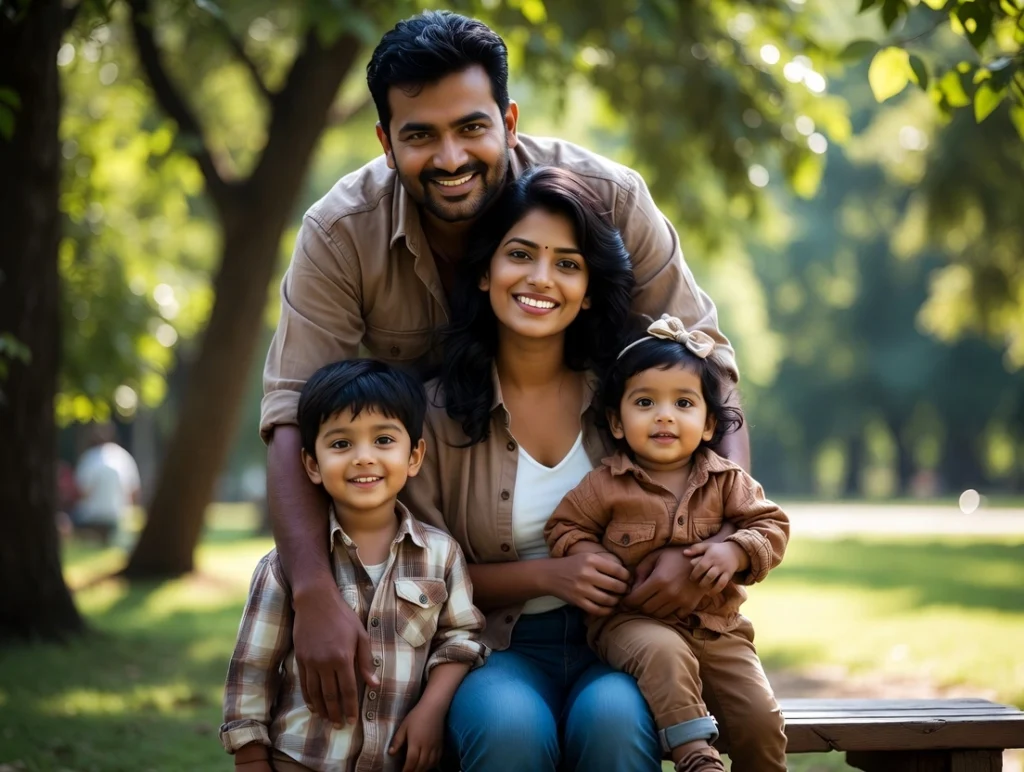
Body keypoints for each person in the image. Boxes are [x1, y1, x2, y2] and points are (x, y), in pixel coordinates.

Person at [261, 9, 749, 734]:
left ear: (509, 119)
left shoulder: (605, 199)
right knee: (501, 727)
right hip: (440, 572)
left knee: (615, 722)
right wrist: (312, 593)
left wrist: (717, 542)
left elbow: (711, 369)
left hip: (624, 571)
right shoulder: (342, 233)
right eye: (419, 135)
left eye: (471, 127)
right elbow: (292, 415)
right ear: (385, 141)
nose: (450, 157)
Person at [399, 166, 713, 771]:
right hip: (496, 649)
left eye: (568, 263)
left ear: (590, 287)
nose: (542, 279)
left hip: (623, 642)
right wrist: (551, 576)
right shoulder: (434, 416)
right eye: (521, 255)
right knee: (509, 729)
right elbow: (418, 575)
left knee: (616, 723)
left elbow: (710, 495)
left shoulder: (629, 406)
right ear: (486, 269)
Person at [544, 314, 790, 772]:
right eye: (645, 402)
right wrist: (589, 557)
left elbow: (772, 525)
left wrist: (734, 550)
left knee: (759, 718)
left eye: (683, 402)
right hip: (630, 624)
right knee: (664, 651)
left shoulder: (726, 481)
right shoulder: (604, 486)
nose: (664, 415)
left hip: (720, 628)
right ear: (617, 423)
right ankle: (695, 755)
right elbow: (564, 527)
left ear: (710, 422)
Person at [221, 359, 486, 772]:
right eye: (341, 444)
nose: (363, 458)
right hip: (301, 758)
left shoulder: (441, 555)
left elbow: (460, 639)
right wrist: (251, 758)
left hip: (397, 761)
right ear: (311, 464)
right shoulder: (284, 568)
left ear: (415, 456)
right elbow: (252, 672)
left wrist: (431, 711)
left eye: (383, 440)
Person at [72, 422, 140, 545]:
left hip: (91, 517)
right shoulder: (123, 457)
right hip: (117, 515)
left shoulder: (89, 458)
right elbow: (134, 491)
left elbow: (81, 492)